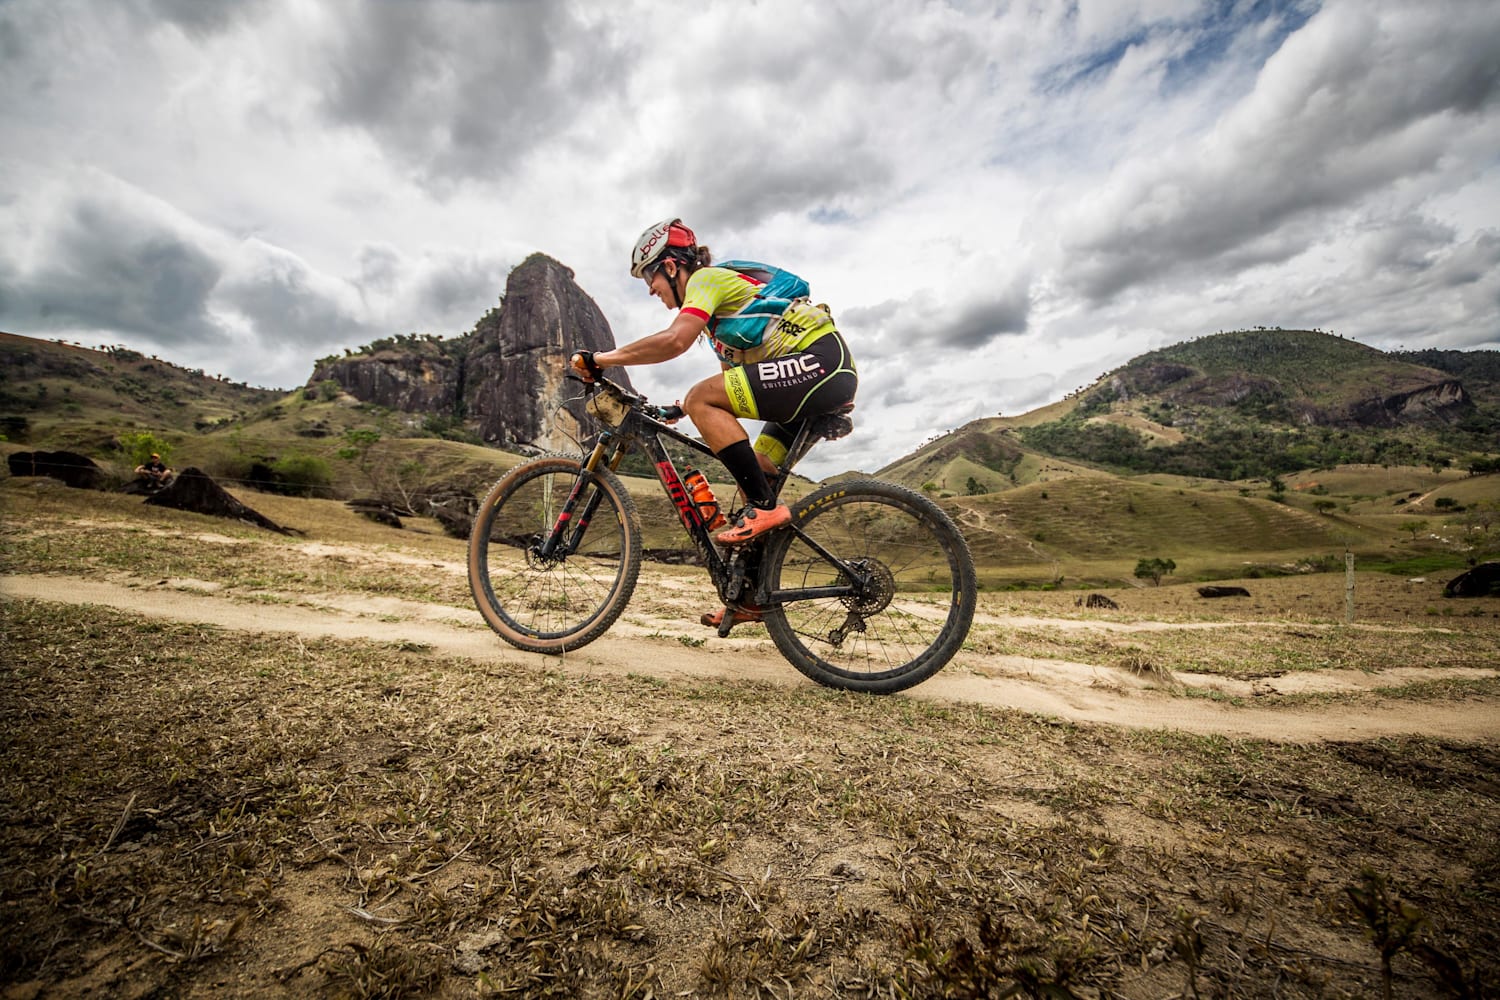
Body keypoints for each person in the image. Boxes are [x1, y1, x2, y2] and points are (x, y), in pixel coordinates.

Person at [571, 218, 858, 628]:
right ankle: (751, 597)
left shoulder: (706, 279)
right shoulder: (720, 325)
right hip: (816, 374)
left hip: (817, 365)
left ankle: (766, 510)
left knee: (706, 405)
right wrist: (680, 411)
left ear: (671, 267)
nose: (650, 289)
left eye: (650, 277)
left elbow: (673, 342)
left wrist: (600, 359)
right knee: (755, 473)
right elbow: (730, 384)